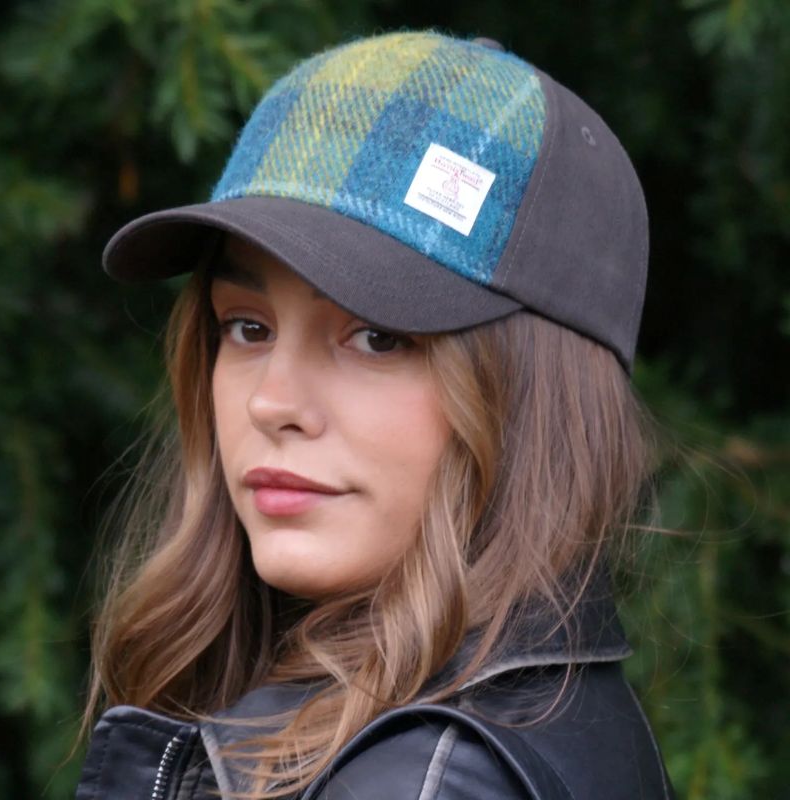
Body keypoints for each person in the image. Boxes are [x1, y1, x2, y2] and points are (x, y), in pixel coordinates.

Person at [76, 30, 676, 800]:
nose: (271, 403)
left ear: (535, 401)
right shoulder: (545, 726)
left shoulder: (430, 782)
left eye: (377, 337)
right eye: (247, 327)